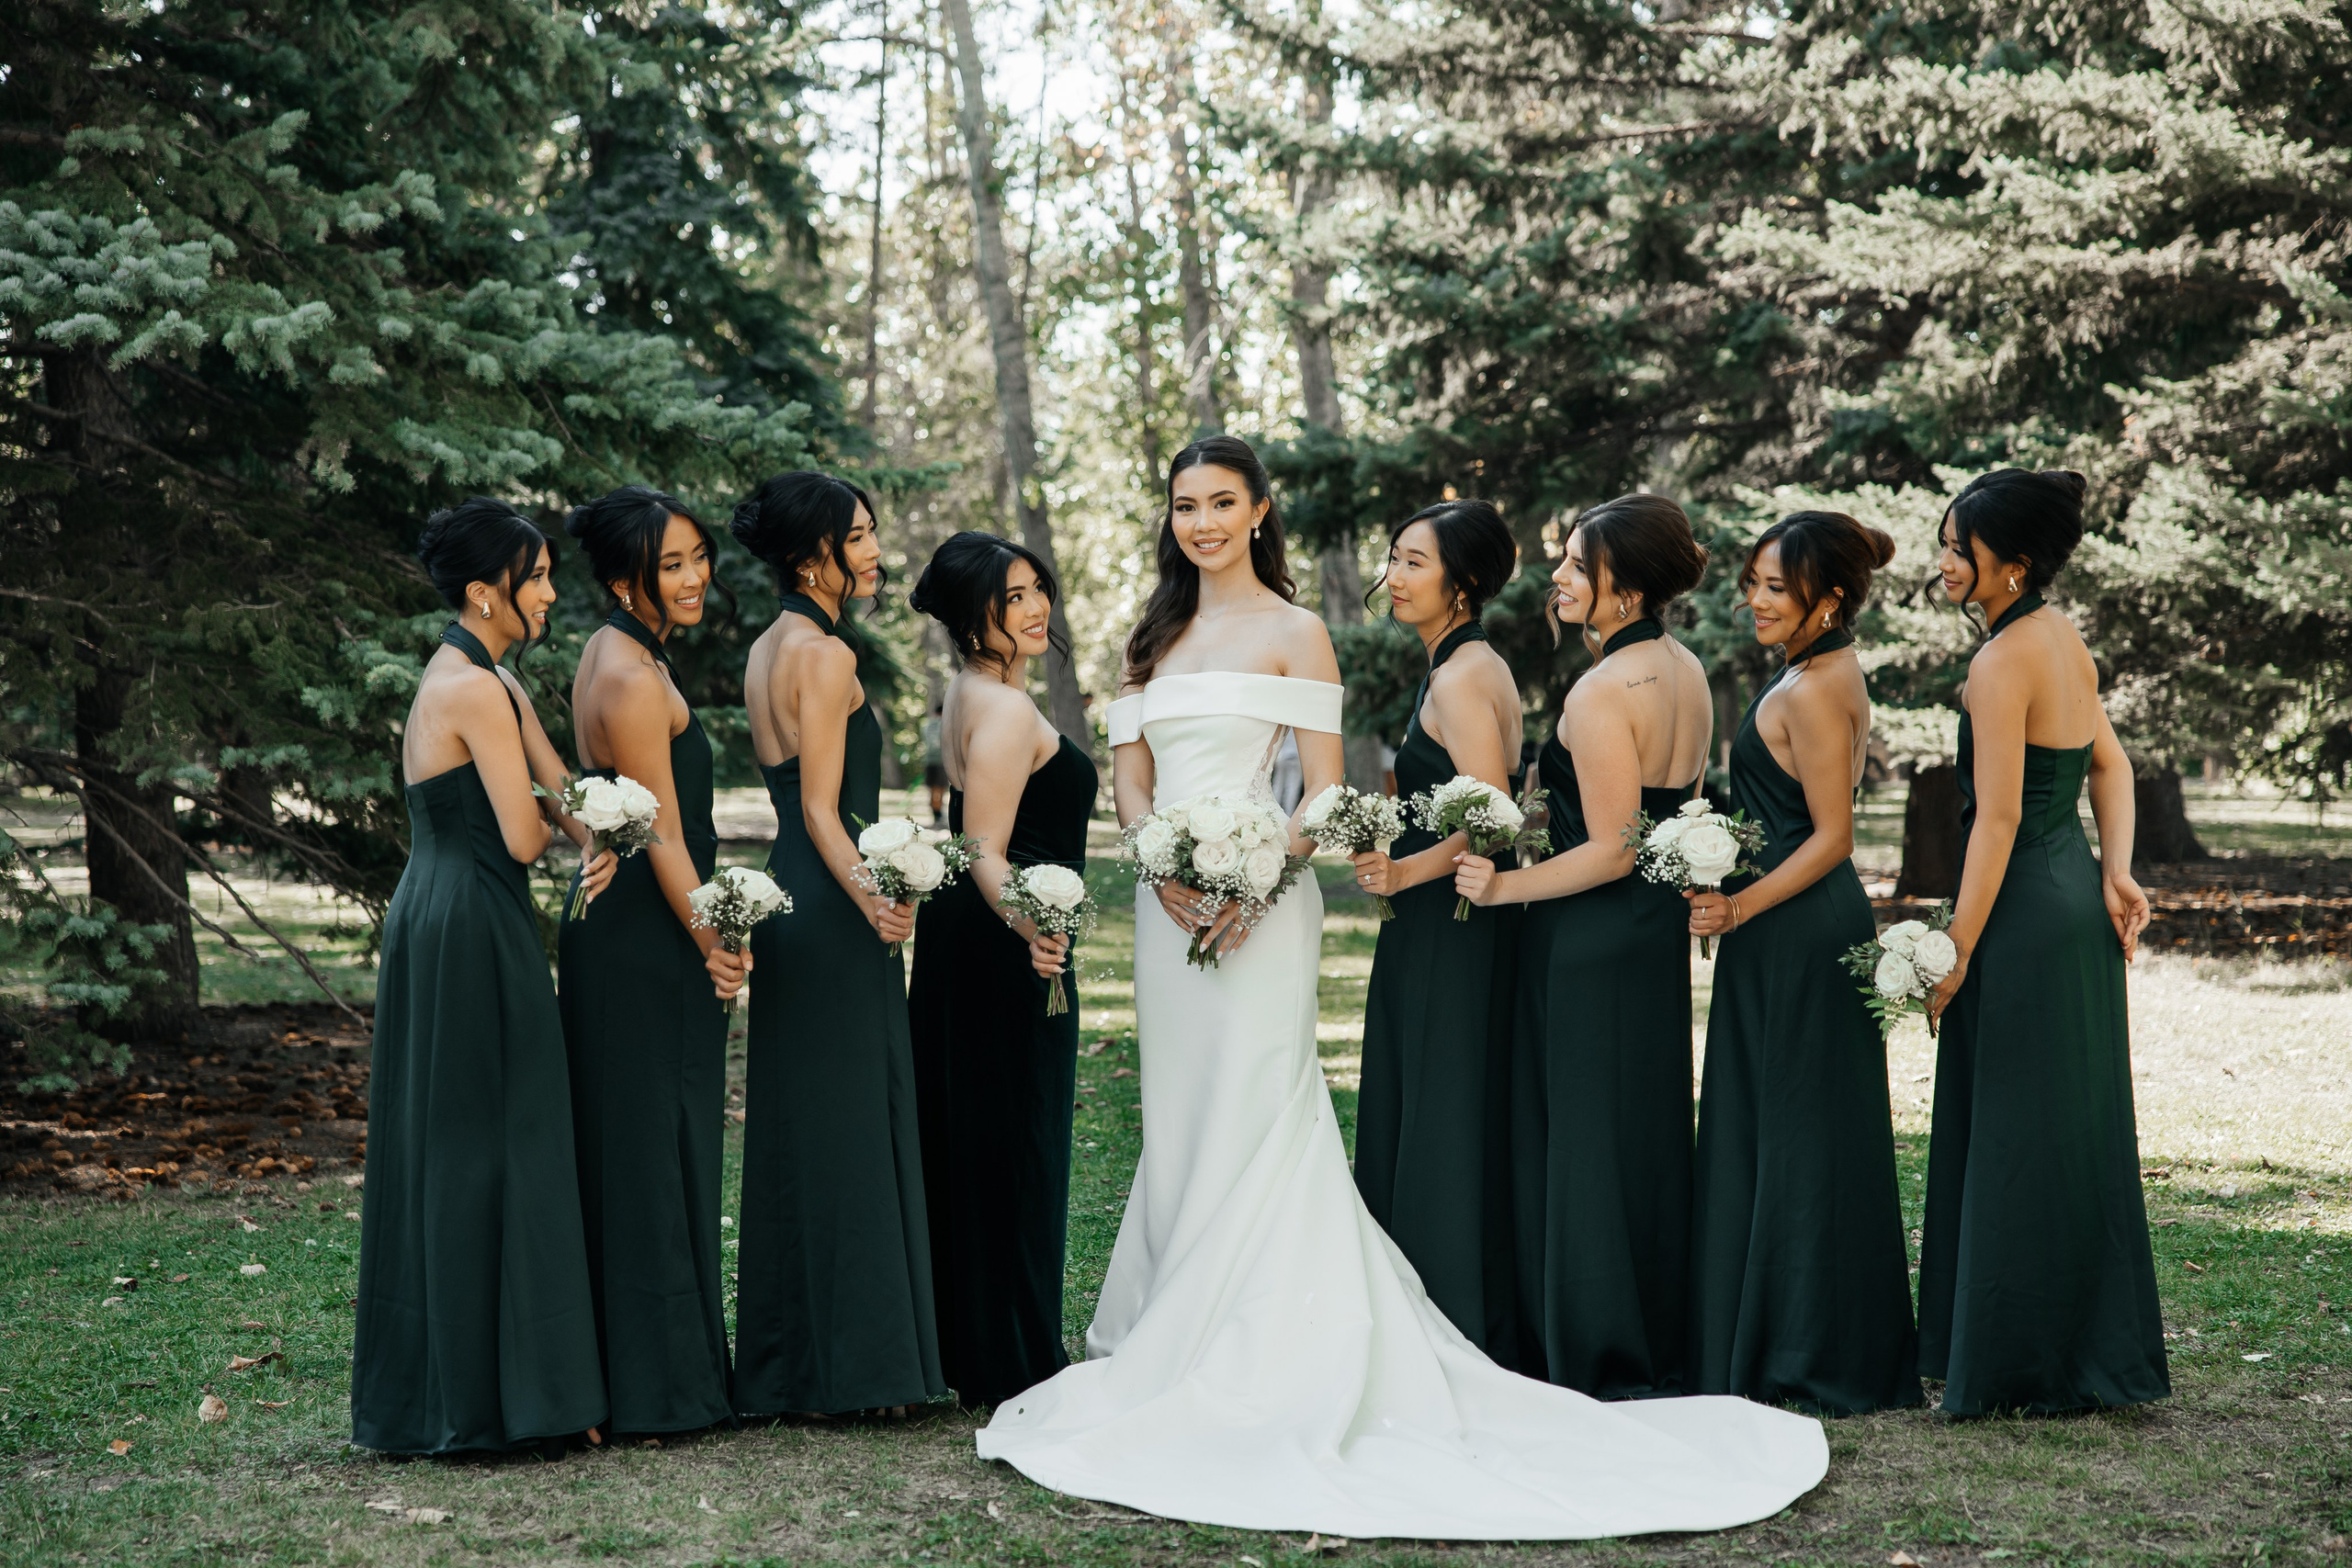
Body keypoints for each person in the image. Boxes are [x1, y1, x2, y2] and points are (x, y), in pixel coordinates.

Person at [975, 437, 1826, 1540]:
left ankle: (1268, 1343)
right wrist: (1160, 862)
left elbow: (1324, 793)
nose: (1201, 523)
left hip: (1263, 902)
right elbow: (1131, 779)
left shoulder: (1298, 631)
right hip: (1164, 907)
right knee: (1178, 1117)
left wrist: (1251, 878)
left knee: (1259, 1110)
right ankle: (1165, 1323)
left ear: (1261, 511)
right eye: (1184, 504)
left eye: (1222, 502)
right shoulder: (1151, 633)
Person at [353, 498, 615, 1458]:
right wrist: (571, 831)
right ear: (482, 592)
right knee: (495, 1143)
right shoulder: (472, 691)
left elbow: (562, 787)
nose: (550, 591)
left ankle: (512, 1388)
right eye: (535, 576)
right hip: (471, 918)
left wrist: (612, 833)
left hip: (448, 910)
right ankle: (508, 1399)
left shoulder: (489, 673)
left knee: (482, 1136)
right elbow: (523, 829)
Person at [1919, 468, 2168, 1416]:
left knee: (2015, 1133)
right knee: (2065, 1129)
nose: (1944, 562)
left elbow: (1993, 822)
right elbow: (2111, 761)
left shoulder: (1996, 663)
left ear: (2012, 564)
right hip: (2073, 906)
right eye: (1943, 542)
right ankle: (2078, 1346)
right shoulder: (2060, 638)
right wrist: (2115, 871)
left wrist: (1955, 948)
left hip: (2019, 910)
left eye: (1960, 549)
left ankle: (2014, 1357)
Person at [1456, 493, 1712, 1400]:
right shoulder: (1686, 670)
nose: (1557, 578)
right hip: (1648, 936)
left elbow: (1609, 846)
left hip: (1586, 933)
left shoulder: (1602, 690)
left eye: (1576, 566)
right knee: (1634, 1133)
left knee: (1581, 1143)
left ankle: (1591, 1345)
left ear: (1628, 591)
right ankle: (1650, 1330)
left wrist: (1504, 885)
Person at [1683, 512, 1923, 1416]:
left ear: (1827, 598)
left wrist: (1736, 902)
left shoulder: (1814, 688)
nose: (1754, 599)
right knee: (1784, 1127)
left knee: (1799, 1136)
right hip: (1778, 924)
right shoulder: (1813, 669)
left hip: (1796, 929)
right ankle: (1781, 1332)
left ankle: (1806, 1350)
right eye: (1753, 582)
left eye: (1774, 588)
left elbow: (1831, 838)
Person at [729, 471, 944, 1418]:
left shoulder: (764, 647)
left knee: (801, 1125)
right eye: (858, 537)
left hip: (789, 893)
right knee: (852, 1123)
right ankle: (862, 1370)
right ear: (814, 552)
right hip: (829, 898)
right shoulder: (821, 655)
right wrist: (876, 902)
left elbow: (794, 808)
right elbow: (823, 808)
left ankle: (791, 1364)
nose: (874, 552)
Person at [556, 487, 741, 1437]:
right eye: (672, 564)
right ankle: (659, 1389)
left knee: (643, 1144)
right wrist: (714, 940)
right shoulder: (628, 675)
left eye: (697, 555)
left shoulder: (608, 650)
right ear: (628, 577)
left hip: (626, 921)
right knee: (650, 1149)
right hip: (646, 936)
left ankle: (644, 1377)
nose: (696, 575)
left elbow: (607, 806)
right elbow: (662, 833)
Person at [905, 531, 1099, 1409]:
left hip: (969, 929)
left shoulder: (972, 691)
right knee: (1011, 1137)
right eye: (1011, 597)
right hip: (1001, 933)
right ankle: (1010, 1351)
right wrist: (1033, 927)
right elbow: (983, 845)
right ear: (969, 615)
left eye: (1035, 591)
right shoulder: (1008, 707)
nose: (1034, 609)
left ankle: (977, 1338)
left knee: (975, 1133)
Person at [1346, 498, 1525, 1357]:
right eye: (1395, 556)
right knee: (1440, 1091)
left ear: (1468, 582)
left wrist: (1401, 870)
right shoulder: (1461, 664)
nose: (1396, 575)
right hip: (1442, 912)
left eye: (1415, 561)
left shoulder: (1459, 677)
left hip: (1452, 915)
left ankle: (1442, 1307)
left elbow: (1491, 815)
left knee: (1444, 1099)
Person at [922, 701, 949, 828]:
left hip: (929, 761)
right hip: (941, 761)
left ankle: (935, 814)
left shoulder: (927, 726)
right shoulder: (944, 725)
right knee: (941, 790)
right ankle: (939, 815)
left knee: (932, 790)